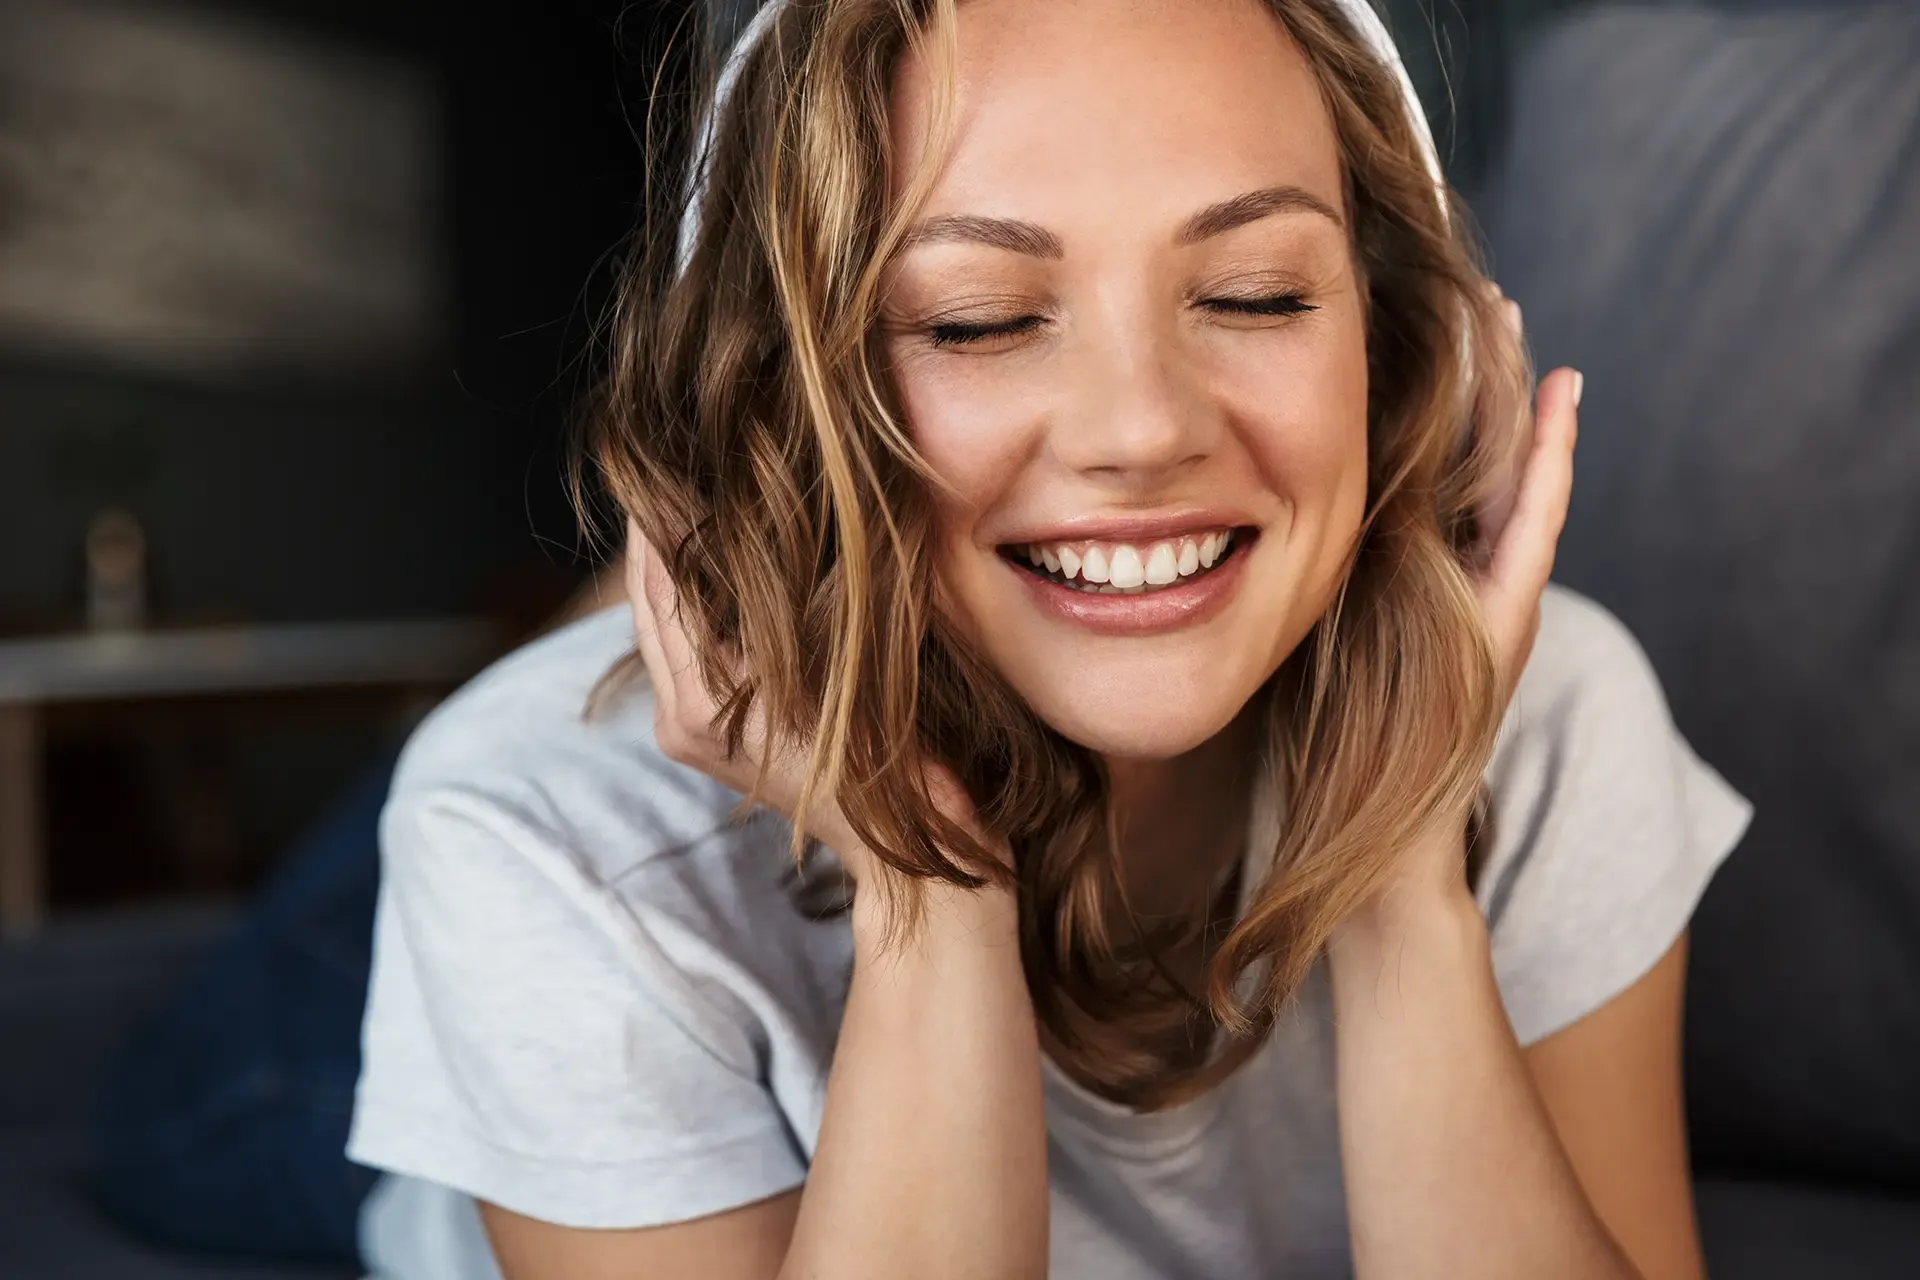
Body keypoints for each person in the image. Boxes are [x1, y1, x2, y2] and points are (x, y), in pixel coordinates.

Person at [347, 1, 1751, 1276]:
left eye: (1256, 293)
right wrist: (929, 893)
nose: (1142, 429)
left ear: (1391, 344)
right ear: (787, 391)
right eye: (980, 319)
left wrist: (1396, 868)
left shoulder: (1546, 710)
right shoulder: (543, 829)